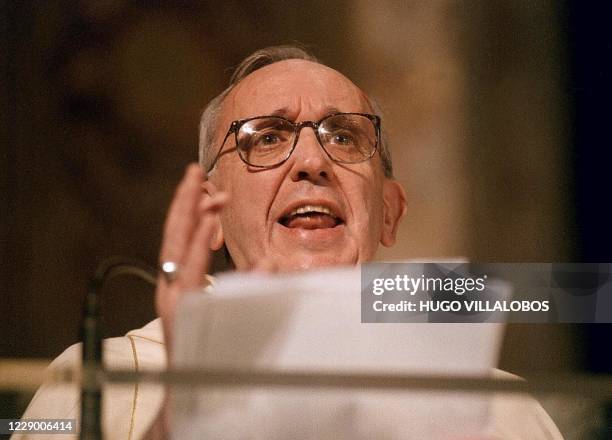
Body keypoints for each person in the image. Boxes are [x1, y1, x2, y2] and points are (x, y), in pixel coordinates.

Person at [14, 45, 563, 439]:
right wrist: (181, 407)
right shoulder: (99, 381)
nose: (311, 162)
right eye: (268, 137)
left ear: (389, 212)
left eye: (344, 136)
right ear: (210, 217)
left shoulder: (499, 409)